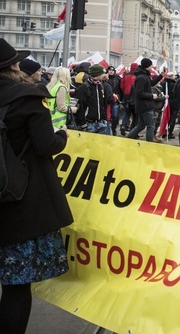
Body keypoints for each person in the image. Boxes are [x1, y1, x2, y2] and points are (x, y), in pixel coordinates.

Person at [0, 38, 72, 333]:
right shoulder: (29, 98)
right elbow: (45, 145)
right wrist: (62, 136)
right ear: (13, 66)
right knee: (16, 287)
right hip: (18, 202)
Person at [126, 58, 163, 143]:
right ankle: (148, 145)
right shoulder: (142, 77)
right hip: (145, 105)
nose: (152, 67)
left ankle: (128, 138)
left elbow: (151, 83)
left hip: (144, 105)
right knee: (151, 126)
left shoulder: (144, 75)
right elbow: (139, 93)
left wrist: (160, 76)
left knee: (141, 125)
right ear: (147, 66)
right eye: (151, 65)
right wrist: (151, 96)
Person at [74, 64, 112, 134]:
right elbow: (80, 106)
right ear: (97, 74)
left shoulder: (101, 86)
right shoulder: (84, 88)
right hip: (89, 123)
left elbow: (103, 103)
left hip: (101, 122)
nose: (104, 75)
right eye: (102, 73)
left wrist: (104, 118)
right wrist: (83, 123)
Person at [106, 66, 122, 136]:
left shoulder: (118, 79)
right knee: (108, 117)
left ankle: (114, 128)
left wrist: (119, 96)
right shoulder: (105, 79)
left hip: (115, 100)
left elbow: (121, 89)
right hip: (107, 101)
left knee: (115, 116)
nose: (111, 71)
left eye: (112, 70)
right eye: (109, 70)